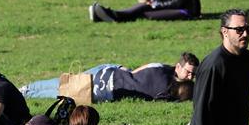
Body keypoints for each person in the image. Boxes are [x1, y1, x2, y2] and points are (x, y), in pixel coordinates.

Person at [21, 52, 198, 103]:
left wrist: (128, 71)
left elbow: (139, 70)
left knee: (67, 83)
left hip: (112, 72)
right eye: (188, 72)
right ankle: (27, 92)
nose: (190, 76)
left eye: (192, 74)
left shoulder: (161, 68)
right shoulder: (169, 88)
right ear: (178, 66)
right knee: (64, 91)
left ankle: (27, 90)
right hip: (109, 85)